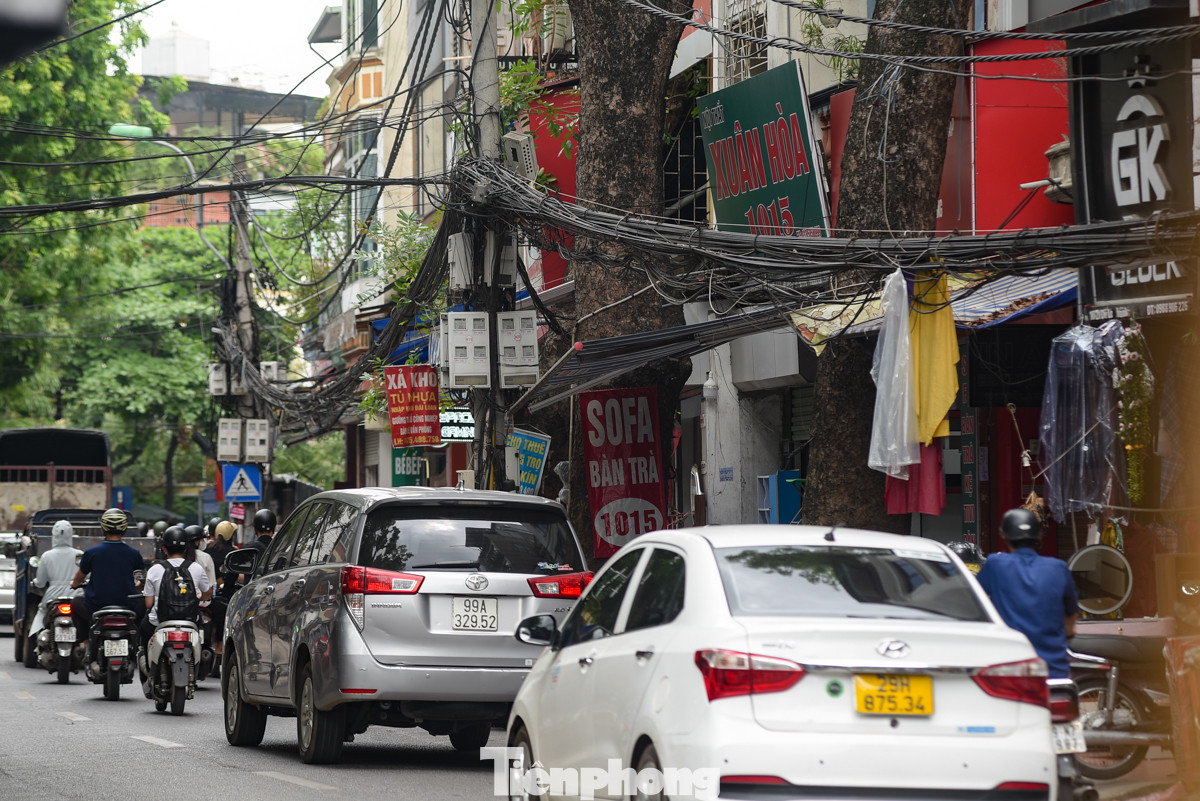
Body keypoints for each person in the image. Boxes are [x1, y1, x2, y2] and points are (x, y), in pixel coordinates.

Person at [978, 507, 1079, 678]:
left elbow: (974, 599)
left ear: (1004, 537)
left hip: (1011, 671)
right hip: (1053, 671)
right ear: (1039, 537)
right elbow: (1071, 616)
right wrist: (1067, 633)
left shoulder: (995, 565)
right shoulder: (1058, 568)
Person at [70, 508, 144, 671]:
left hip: (96, 607)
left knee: (75, 603)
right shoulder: (134, 554)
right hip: (128, 607)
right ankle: (138, 644)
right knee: (145, 605)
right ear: (124, 529)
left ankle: (86, 643)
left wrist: (74, 584)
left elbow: (79, 578)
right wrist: (138, 586)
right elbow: (140, 579)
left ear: (103, 528)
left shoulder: (91, 553)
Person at [139, 526, 211, 659]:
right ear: (185, 549)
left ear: (164, 548)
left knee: (144, 629)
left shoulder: (154, 570)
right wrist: (199, 597)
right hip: (191, 621)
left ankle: (147, 663)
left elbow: (149, 604)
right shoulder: (196, 568)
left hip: (159, 622)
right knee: (205, 635)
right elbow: (207, 593)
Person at [30, 520, 82, 637]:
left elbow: (41, 582)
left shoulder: (47, 556)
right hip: (76, 594)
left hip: (52, 596)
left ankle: (39, 638)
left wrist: (35, 582)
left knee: (42, 613)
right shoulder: (79, 554)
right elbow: (87, 576)